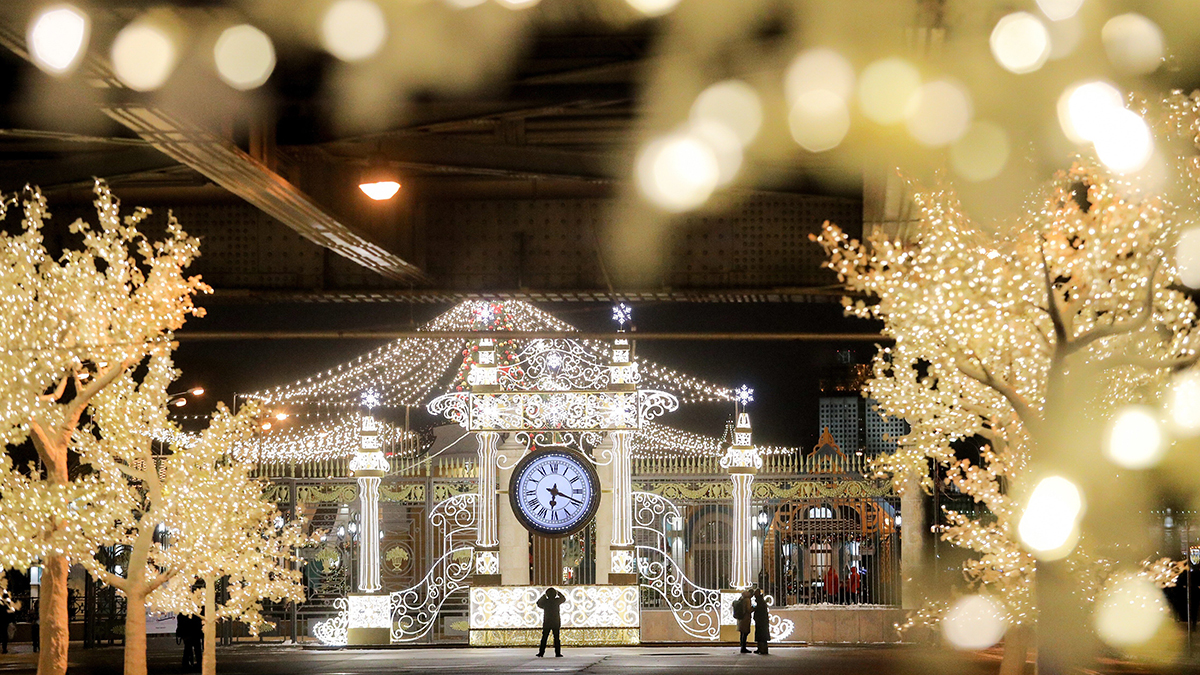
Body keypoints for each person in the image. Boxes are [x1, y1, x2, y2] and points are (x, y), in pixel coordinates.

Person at [536, 587, 565, 658]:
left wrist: (543, 596)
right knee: (556, 638)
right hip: (556, 621)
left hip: (547, 622)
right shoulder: (556, 601)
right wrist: (559, 593)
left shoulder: (545, 602)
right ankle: (558, 653)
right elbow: (563, 599)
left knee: (544, 638)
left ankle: (541, 652)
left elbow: (538, 603)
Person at [752, 588, 770, 655]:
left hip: (761, 621)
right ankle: (762, 649)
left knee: (761, 635)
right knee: (762, 636)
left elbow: (759, 611)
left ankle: (762, 649)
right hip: (762, 621)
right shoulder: (761, 601)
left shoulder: (760, 602)